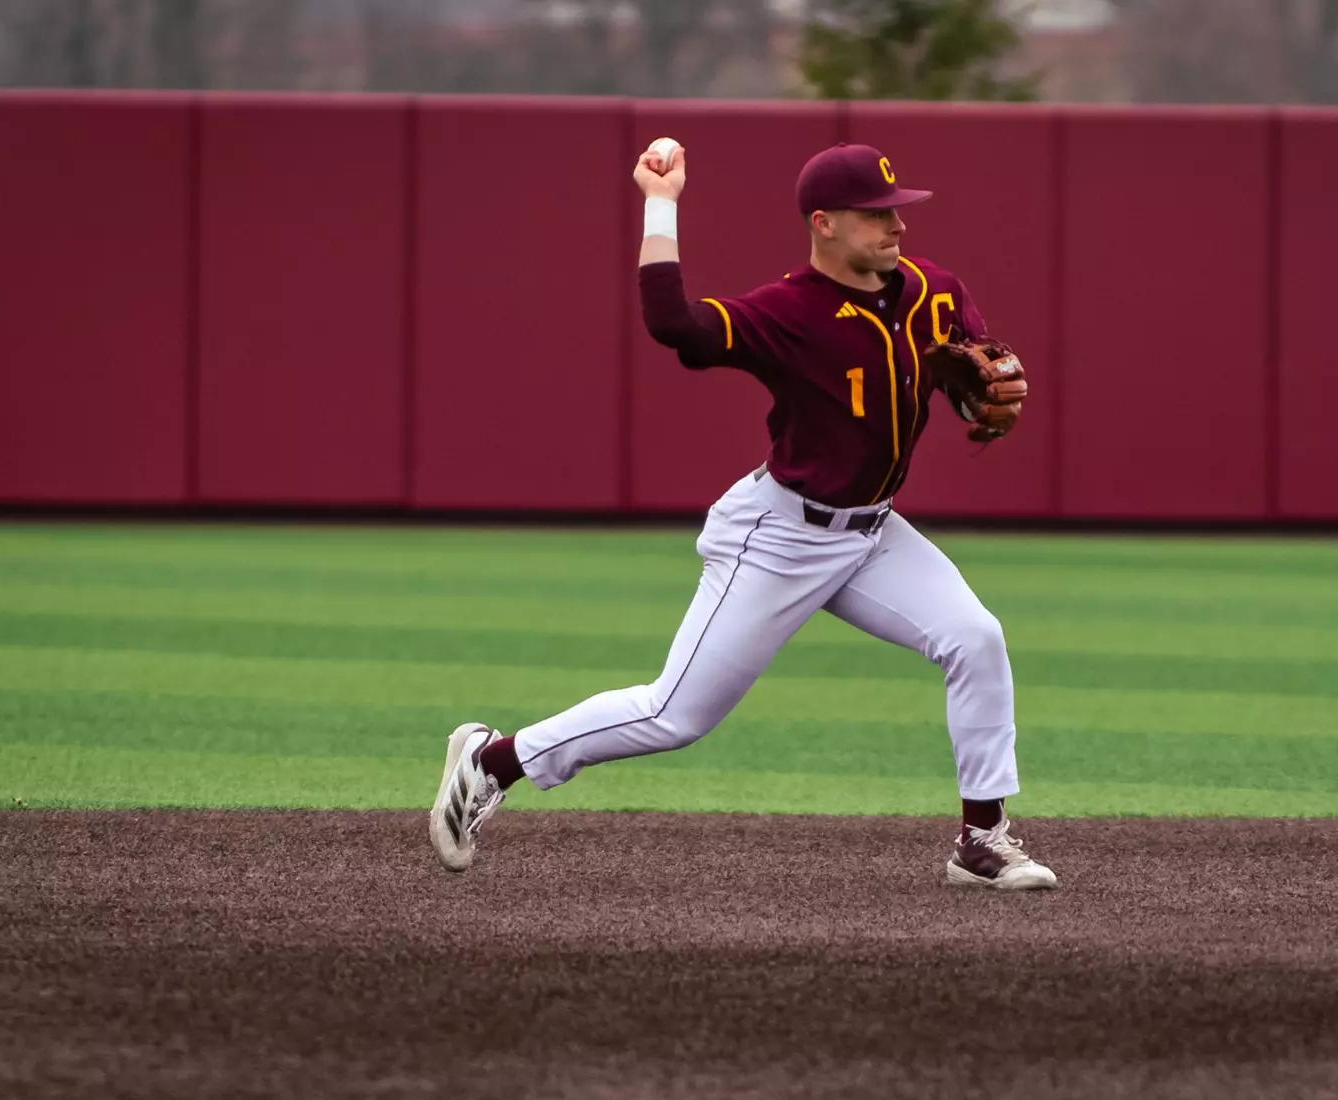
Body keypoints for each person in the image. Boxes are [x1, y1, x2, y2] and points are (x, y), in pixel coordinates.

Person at [428, 139, 1056, 892]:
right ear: (823, 223)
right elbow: (676, 326)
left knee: (975, 637)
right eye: (874, 215)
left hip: (873, 533)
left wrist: (971, 398)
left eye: (897, 212)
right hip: (780, 535)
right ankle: (490, 760)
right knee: (675, 715)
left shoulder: (937, 291)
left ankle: (982, 839)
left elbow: (969, 370)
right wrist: (662, 201)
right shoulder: (789, 312)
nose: (896, 227)